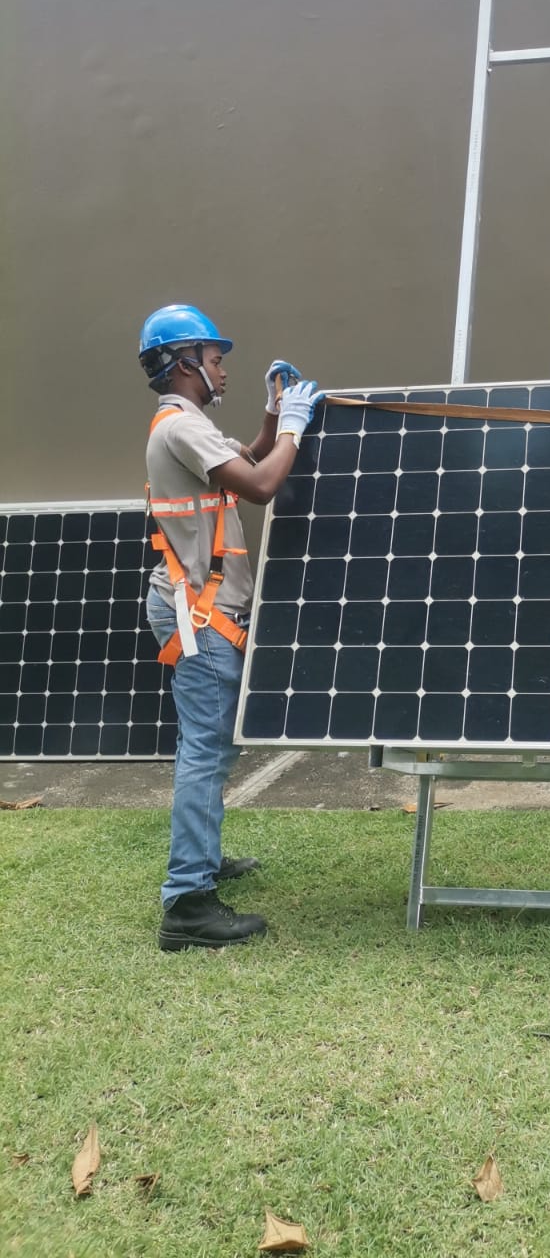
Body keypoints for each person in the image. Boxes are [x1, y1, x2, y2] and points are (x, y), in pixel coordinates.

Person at [139, 306, 323, 951]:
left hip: (198, 607)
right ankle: (188, 902)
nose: (223, 371)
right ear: (184, 362)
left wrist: (273, 417)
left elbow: (244, 459)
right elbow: (262, 484)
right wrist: (295, 426)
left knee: (211, 747)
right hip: (200, 613)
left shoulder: (186, 425)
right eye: (215, 360)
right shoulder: (180, 426)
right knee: (206, 751)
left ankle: (202, 861)